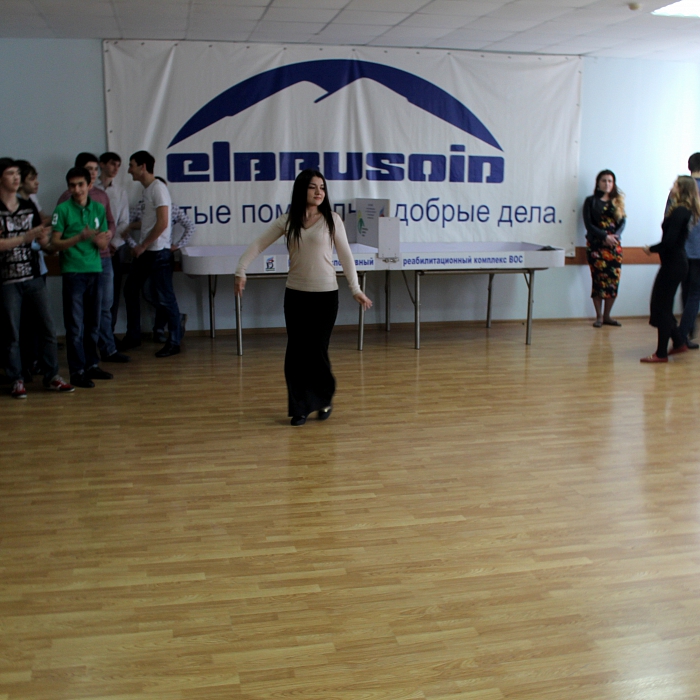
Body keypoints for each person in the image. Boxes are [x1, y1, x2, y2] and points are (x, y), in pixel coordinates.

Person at [234, 169, 372, 426]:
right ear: (302, 190)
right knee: (296, 354)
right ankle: (300, 407)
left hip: (325, 296)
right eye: (313, 187)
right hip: (296, 295)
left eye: (322, 187)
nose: (319, 192)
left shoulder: (332, 219)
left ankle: (323, 397)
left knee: (317, 352)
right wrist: (241, 270)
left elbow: (345, 256)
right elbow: (258, 245)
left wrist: (355, 289)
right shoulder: (288, 221)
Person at [0, 157, 74, 398]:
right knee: (12, 333)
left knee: (47, 328)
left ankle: (52, 376)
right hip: (7, 280)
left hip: (33, 276)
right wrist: (24, 237)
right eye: (10, 173)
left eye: (17, 173)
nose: (16, 178)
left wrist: (44, 240)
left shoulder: (28, 205)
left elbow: (38, 242)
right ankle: (16, 379)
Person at [57, 152, 128, 363]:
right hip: (78, 263)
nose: (94, 173)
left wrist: (108, 237)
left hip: (103, 258)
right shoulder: (66, 199)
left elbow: (111, 222)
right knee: (79, 317)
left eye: (96, 169)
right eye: (90, 170)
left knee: (105, 306)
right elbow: (59, 235)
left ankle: (107, 350)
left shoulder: (101, 197)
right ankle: (82, 362)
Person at [51, 166, 114, 387]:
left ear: (89, 185)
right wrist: (79, 237)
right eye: (72, 185)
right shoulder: (62, 209)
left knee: (93, 323)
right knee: (75, 325)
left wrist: (101, 240)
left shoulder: (98, 208)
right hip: (73, 271)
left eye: (80, 185)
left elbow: (104, 241)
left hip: (95, 269)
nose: (77, 190)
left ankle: (91, 365)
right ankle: (77, 371)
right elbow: (54, 243)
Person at [118, 151, 183, 358]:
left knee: (165, 298)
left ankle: (175, 341)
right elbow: (150, 221)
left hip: (158, 253)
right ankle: (133, 336)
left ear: (143, 166)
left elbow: (163, 223)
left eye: (132, 165)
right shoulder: (147, 190)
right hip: (148, 252)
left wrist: (142, 245)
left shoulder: (158, 188)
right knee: (130, 290)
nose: (129, 170)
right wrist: (131, 227)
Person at [641, 176, 700, 363]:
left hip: (674, 264)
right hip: (674, 264)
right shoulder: (682, 210)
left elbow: (669, 241)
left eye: (675, 185)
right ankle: (679, 342)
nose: (671, 187)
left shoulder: (681, 211)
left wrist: (651, 249)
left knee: (661, 307)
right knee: (662, 306)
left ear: (682, 189)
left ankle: (661, 354)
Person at [128, 177, 193, 343]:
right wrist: (135, 246)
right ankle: (175, 317)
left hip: (163, 254)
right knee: (147, 292)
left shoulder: (172, 208)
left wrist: (176, 245)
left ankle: (160, 329)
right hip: (145, 254)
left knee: (162, 293)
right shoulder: (142, 207)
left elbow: (190, 226)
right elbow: (125, 225)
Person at [15, 160, 50, 380]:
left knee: (39, 322)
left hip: (38, 267)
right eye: (32, 179)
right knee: (22, 323)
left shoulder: (31, 202)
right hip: (18, 272)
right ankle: (22, 367)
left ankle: (35, 362)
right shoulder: (11, 206)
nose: (36, 183)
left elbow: (40, 231)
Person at [95, 152, 131, 342]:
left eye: (118, 165)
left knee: (112, 294)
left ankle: (109, 334)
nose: (115, 168)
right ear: (102, 165)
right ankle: (93, 334)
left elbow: (124, 221)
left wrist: (113, 243)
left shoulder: (120, 191)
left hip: (115, 248)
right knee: (94, 294)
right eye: (112, 164)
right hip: (92, 247)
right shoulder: (91, 189)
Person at [583, 169, 626, 327]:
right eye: (604, 180)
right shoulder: (590, 201)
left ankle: (608, 316)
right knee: (598, 281)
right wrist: (604, 237)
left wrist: (615, 237)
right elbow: (589, 224)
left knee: (613, 282)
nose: (607, 183)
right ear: (598, 183)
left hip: (614, 247)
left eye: (610, 181)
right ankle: (599, 317)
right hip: (596, 247)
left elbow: (623, 222)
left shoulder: (617, 201)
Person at [676, 153, 700, 349]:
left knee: (686, 290)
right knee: (694, 294)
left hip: (681, 249)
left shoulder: (680, 188)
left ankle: (686, 330)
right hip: (698, 252)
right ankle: (683, 334)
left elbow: (668, 218)